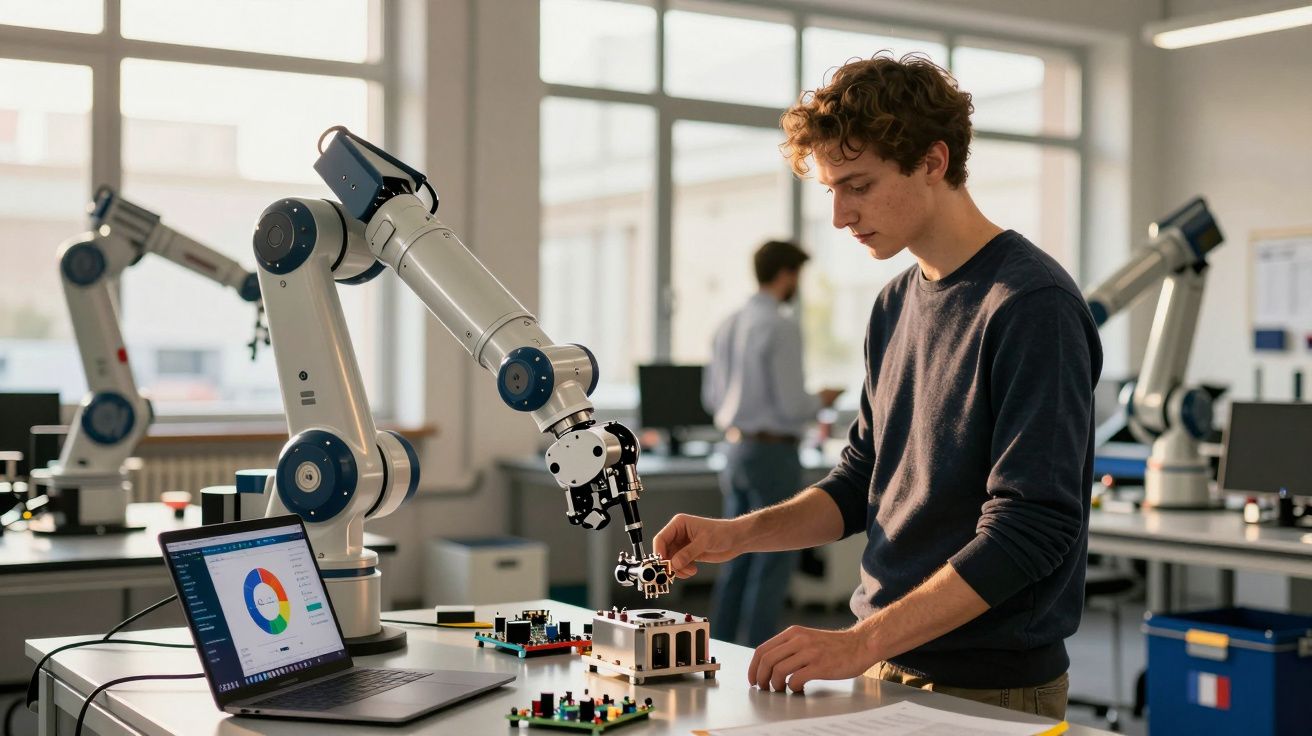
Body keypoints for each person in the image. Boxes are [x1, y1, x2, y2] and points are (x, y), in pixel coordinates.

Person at [655, 53, 1102, 721]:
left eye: (858, 186)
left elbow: (1032, 528)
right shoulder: (894, 303)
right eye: (831, 191)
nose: (840, 216)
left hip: (988, 685)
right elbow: (861, 482)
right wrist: (738, 534)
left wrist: (858, 642)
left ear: (933, 161)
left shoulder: (1032, 305)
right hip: (886, 664)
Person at [700, 240, 843, 647]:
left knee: (732, 554)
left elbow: (711, 399)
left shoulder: (729, 323)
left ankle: (720, 651)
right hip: (773, 453)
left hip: (735, 449)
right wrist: (824, 399)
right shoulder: (780, 325)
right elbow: (793, 404)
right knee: (774, 558)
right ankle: (756, 656)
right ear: (786, 274)